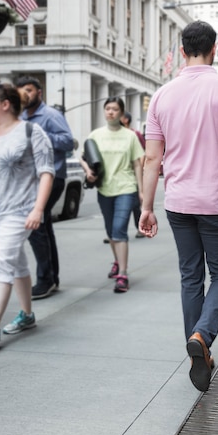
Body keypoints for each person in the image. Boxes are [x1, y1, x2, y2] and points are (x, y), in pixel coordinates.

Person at [139, 20, 218, 393]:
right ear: (215, 48)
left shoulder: (162, 95)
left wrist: (147, 206)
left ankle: (198, 347)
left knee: (190, 276)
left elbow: (150, 158)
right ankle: (203, 337)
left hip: (177, 202)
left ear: (180, 50)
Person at [0, 82, 54, 349]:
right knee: (16, 263)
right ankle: (27, 314)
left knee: (0, 262)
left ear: (5, 104)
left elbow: (46, 171)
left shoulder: (31, 131)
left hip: (19, 211)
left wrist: (38, 209)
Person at [16, 76, 74, 299]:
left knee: (35, 225)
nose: (25, 94)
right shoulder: (20, 116)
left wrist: (37, 135)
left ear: (39, 93)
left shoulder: (50, 115)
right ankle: (52, 278)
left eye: (29, 90)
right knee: (44, 227)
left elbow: (68, 141)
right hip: (31, 180)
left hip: (52, 177)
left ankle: (45, 279)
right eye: (21, 90)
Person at [81, 96, 144, 293]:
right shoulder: (95, 135)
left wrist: (141, 191)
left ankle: (123, 274)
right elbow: (84, 158)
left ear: (121, 113)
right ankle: (117, 261)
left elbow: (137, 163)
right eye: (107, 108)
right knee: (110, 231)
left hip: (126, 187)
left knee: (119, 230)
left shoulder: (131, 136)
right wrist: (88, 172)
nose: (110, 112)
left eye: (115, 109)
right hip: (104, 189)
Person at [120, 111, 146, 239]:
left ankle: (140, 228)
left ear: (125, 120)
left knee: (135, 203)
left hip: (133, 173)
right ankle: (114, 232)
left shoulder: (135, 134)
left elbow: (142, 153)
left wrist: (139, 171)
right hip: (118, 174)